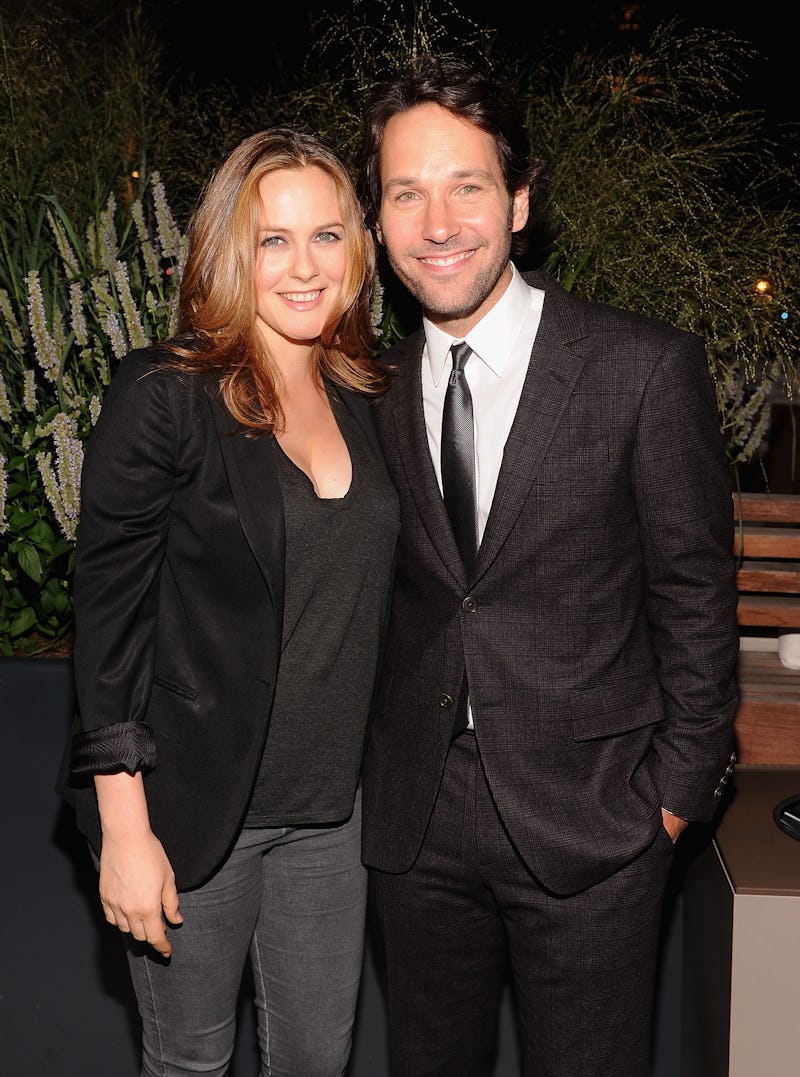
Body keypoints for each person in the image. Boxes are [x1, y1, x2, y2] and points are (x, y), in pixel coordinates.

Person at [356, 54, 740, 1077]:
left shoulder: (642, 368)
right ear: (378, 219)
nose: (437, 223)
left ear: (519, 201)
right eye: (405, 192)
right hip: (414, 825)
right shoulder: (366, 388)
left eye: (466, 185)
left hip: (596, 821)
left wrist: (666, 803)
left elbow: (695, 602)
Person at [56, 127, 399, 1077]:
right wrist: (125, 832)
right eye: (272, 238)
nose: (302, 266)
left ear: (357, 253)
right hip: (193, 810)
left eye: (326, 236)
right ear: (227, 250)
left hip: (333, 816)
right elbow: (108, 623)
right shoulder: (167, 393)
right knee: (191, 1062)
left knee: (314, 1062)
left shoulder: (368, 392)